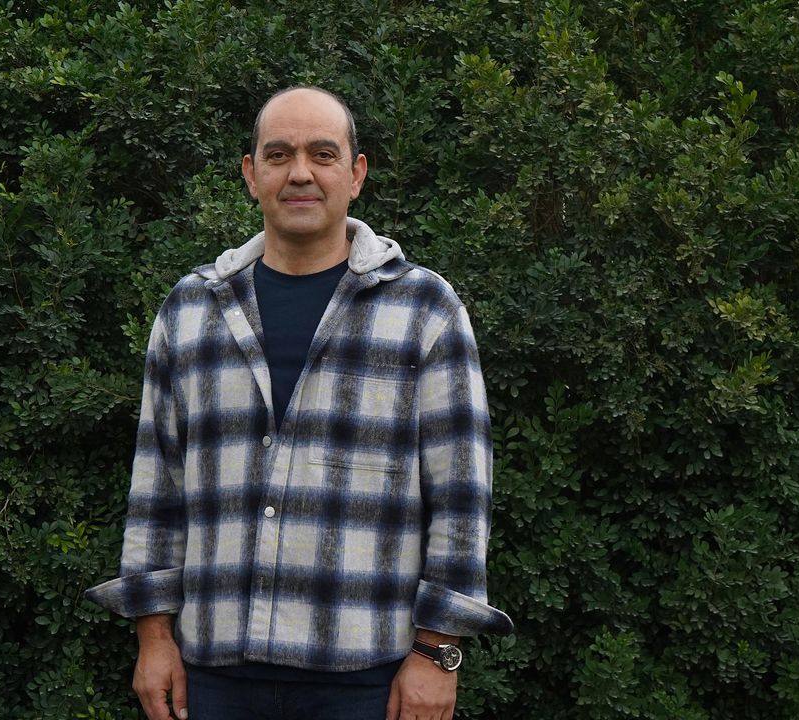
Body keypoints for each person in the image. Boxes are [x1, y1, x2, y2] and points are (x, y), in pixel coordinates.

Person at [86, 85, 512, 720]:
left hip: (369, 676)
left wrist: (438, 651)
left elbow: (461, 493)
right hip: (214, 676)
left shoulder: (424, 308)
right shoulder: (192, 308)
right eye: (279, 154)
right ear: (251, 173)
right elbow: (157, 490)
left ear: (356, 174)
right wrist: (153, 637)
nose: (301, 173)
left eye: (323, 154)